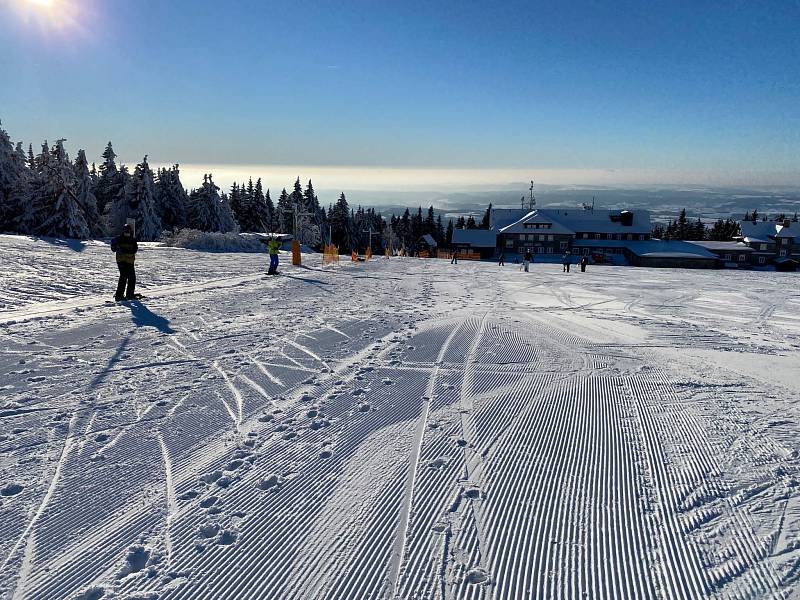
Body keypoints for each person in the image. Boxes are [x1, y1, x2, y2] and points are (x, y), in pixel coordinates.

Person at [111, 223, 138, 301]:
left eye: (128, 231)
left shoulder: (132, 240)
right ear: (123, 231)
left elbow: (134, 250)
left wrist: (124, 250)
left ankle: (130, 294)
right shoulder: (119, 239)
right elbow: (113, 249)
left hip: (130, 261)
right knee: (123, 276)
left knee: (132, 278)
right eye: (125, 231)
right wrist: (114, 245)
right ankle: (119, 295)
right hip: (121, 261)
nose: (127, 233)